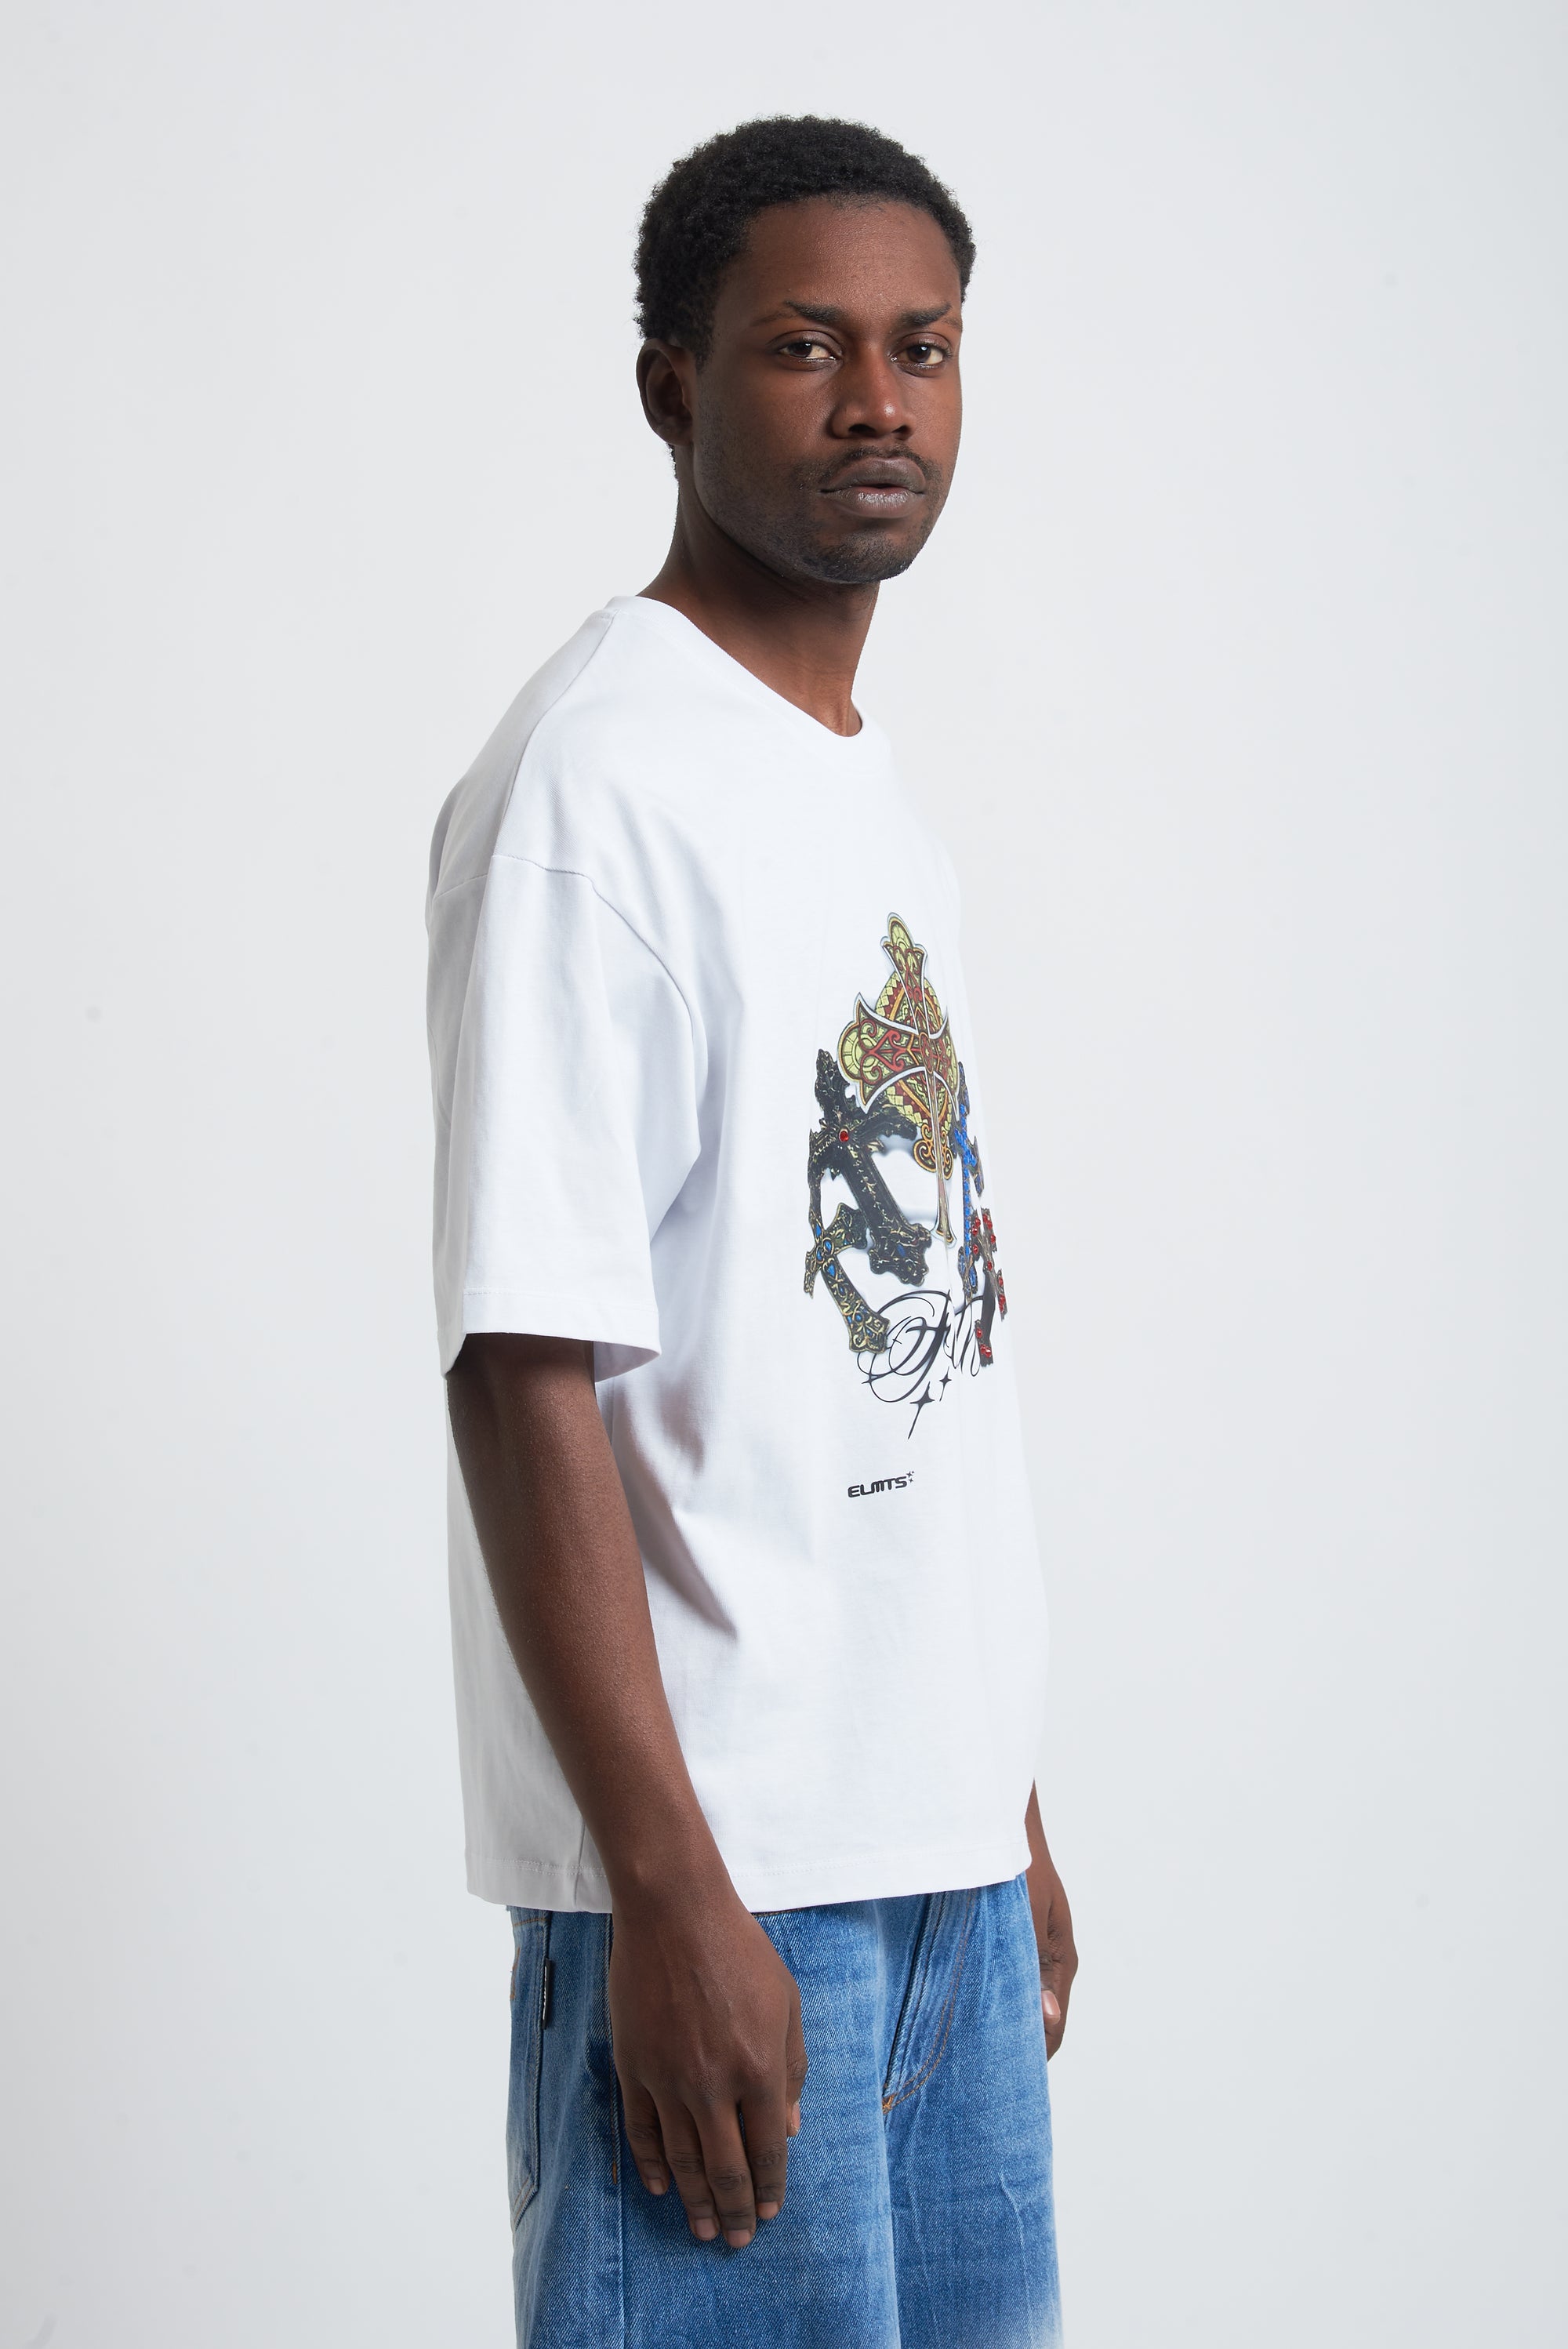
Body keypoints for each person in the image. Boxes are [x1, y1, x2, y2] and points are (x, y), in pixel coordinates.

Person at [426, 114, 1076, 2349]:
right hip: (724, 1887)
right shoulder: (597, 786)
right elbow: (528, 1363)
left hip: (933, 1875)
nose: (880, 401)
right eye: (808, 347)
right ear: (672, 385)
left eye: (925, 348)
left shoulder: (868, 803)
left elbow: (906, 1350)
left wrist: (990, 1796)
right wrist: (665, 1887)